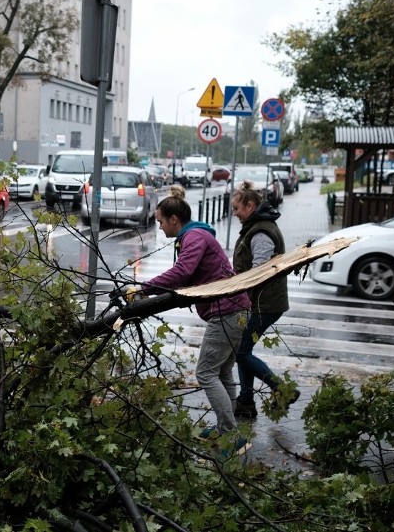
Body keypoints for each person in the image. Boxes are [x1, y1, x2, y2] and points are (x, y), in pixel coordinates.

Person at [127, 186, 251, 453]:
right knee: (222, 371)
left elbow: (183, 271)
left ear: (174, 219)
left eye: (160, 221)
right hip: (235, 309)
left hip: (226, 310)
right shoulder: (195, 235)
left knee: (206, 372)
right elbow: (191, 275)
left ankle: (231, 437)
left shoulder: (194, 236)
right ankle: (227, 430)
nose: (159, 227)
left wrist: (144, 288)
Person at [231, 181, 299, 418]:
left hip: (263, 303)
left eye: (237, 208)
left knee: (241, 351)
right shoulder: (257, 226)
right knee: (244, 350)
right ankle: (246, 402)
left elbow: (259, 270)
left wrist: (236, 288)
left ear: (250, 206)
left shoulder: (261, 231)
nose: (235, 213)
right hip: (259, 301)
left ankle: (281, 389)